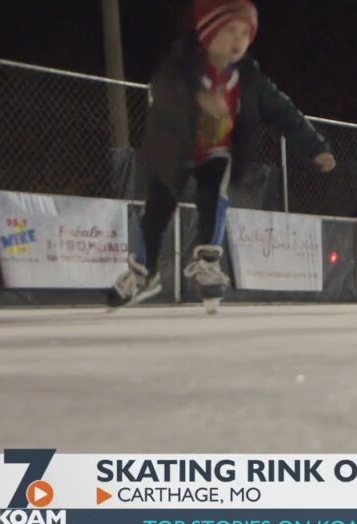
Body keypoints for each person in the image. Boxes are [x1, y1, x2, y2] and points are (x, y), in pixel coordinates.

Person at [109, 0, 335, 307]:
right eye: (230, 31)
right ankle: (143, 271)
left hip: (216, 150)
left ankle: (208, 262)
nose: (238, 40)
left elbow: (284, 111)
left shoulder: (249, 77)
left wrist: (316, 147)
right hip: (176, 147)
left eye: (245, 33)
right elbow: (162, 91)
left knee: (215, 190)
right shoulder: (182, 65)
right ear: (208, 33)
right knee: (159, 206)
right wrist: (196, 100)